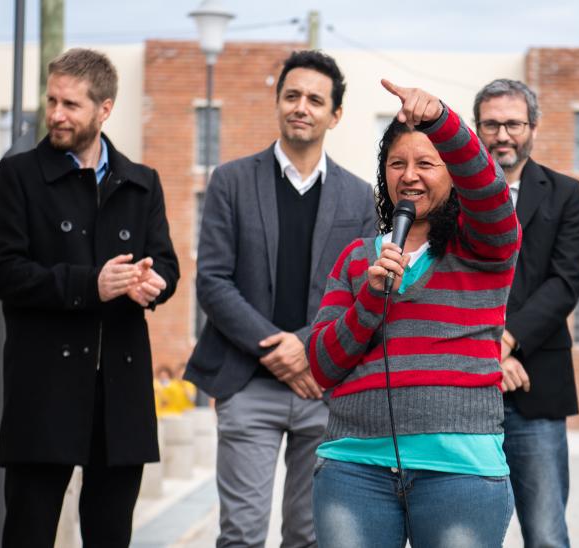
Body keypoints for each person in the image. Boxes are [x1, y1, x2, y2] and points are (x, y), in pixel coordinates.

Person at [307, 79, 520, 548]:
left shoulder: (484, 246)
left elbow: (491, 194)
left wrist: (443, 122)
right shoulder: (357, 259)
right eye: (396, 164)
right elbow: (323, 365)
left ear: (453, 174)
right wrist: (369, 297)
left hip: (460, 473)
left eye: (427, 163)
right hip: (354, 470)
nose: (409, 176)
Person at [0, 48, 179, 547]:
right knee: (27, 533)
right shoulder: (19, 175)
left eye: (70, 104)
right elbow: (1, 272)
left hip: (120, 389)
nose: (55, 114)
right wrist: (88, 285)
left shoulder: (142, 183)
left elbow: (167, 263)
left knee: (111, 535)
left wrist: (154, 285)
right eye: (51, 100)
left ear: (104, 109)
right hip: (43, 386)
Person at [184, 50, 376, 547]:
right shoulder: (230, 181)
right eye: (292, 95)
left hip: (324, 387)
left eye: (316, 99)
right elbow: (213, 282)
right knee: (242, 535)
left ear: (335, 115)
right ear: (278, 102)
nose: (301, 107)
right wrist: (282, 349)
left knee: (310, 537)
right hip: (246, 384)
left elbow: (362, 297)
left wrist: (306, 350)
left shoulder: (359, 199)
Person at [474, 79, 579, 548]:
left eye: (513, 123)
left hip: (538, 385)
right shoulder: (455, 197)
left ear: (533, 127)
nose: (503, 135)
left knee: (545, 533)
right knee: (467, 532)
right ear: (476, 129)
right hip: (465, 391)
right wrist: (488, 354)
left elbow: (565, 283)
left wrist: (505, 340)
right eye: (491, 124)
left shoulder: (565, 193)